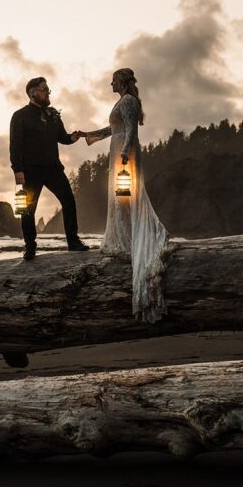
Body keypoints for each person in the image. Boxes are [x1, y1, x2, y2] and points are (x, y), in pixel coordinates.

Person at [80, 68, 170, 323]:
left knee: (125, 197)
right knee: (119, 199)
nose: (110, 83)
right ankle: (123, 239)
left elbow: (131, 130)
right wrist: (88, 136)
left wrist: (125, 154)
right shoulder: (122, 102)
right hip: (118, 148)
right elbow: (113, 130)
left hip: (124, 153)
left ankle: (129, 242)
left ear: (121, 82)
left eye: (114, 80)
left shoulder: (129, 101)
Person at [9, 77, 90, 260]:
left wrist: (73, 137)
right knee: (28, 210)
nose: (48, 93)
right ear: (33, 93)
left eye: (48, 90)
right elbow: (15, 145)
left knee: (68, 201)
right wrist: (17, 170)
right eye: (44, 90)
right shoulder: (20, 116)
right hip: (31, 170)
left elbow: (62, 137)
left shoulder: (53, 114)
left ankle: (73, 242)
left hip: (53, 168)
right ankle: (30, 247)